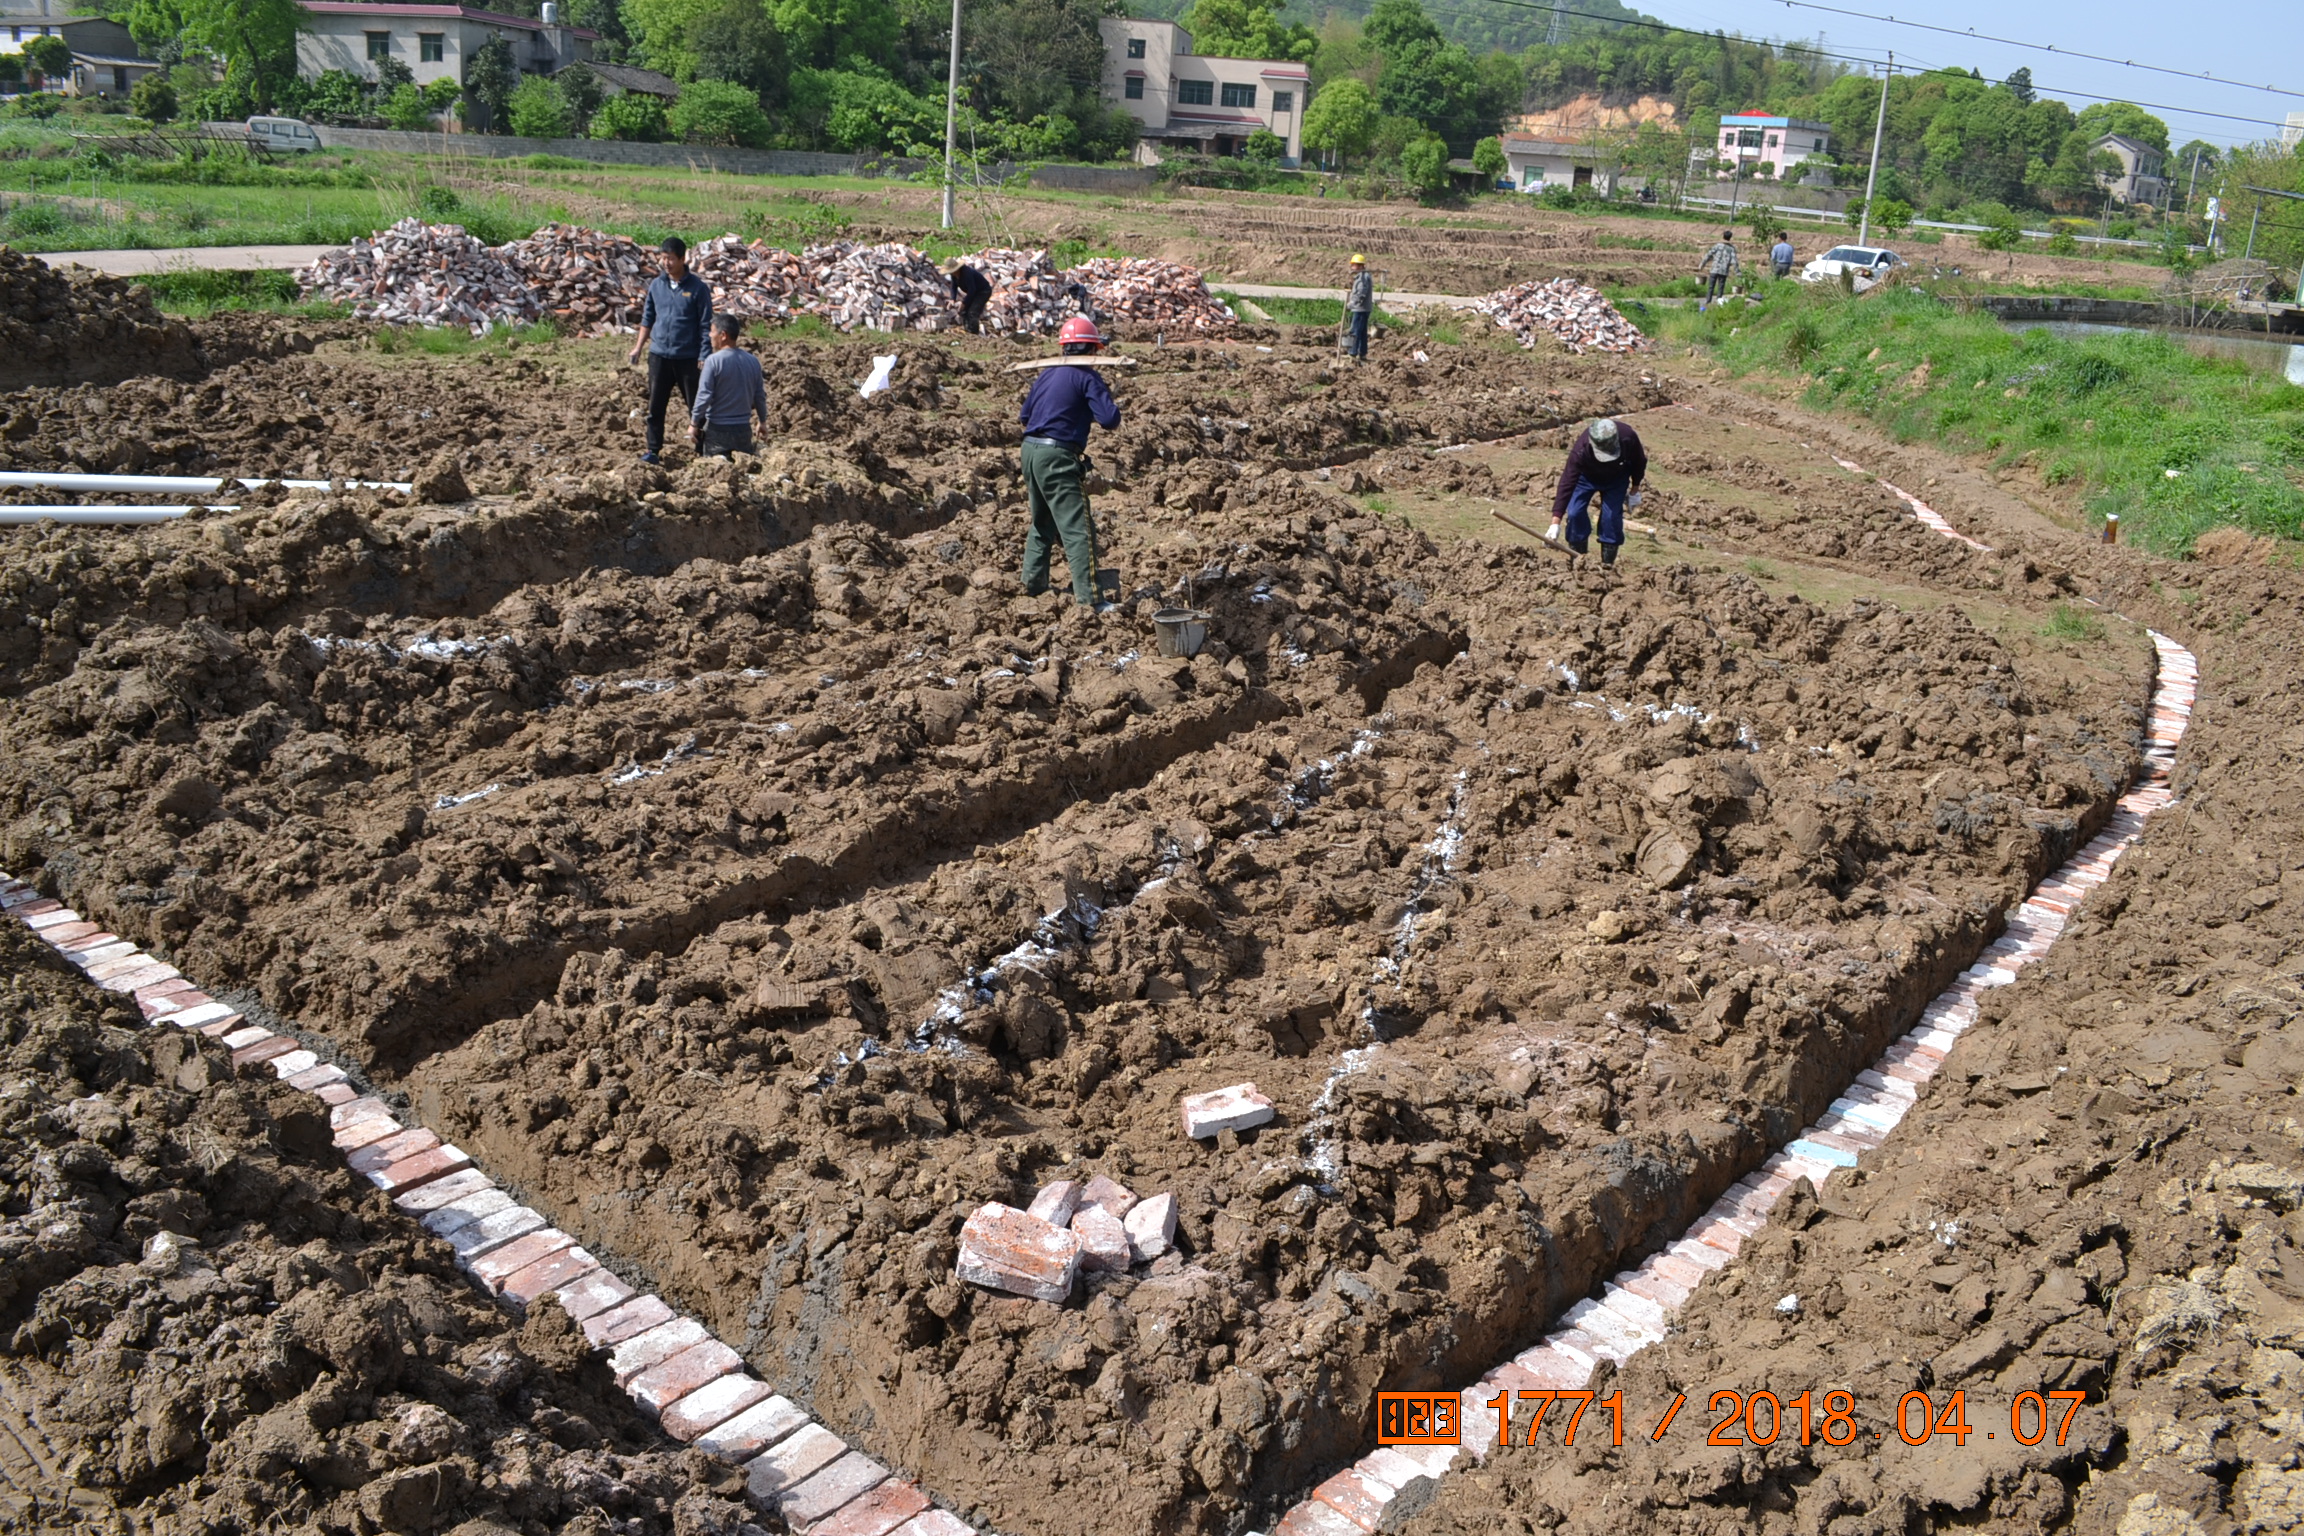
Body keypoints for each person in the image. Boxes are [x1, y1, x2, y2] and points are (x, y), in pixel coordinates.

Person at [1018, 316, 1121, 606]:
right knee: (1079, 528)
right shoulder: (1088, 377)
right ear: (1092, 350)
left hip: (1030, 451)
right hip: (1057, 456)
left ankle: (1033, 584)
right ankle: (1091, 601)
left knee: (1043, 522)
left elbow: (1025, 416)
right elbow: (1110, 419)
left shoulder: (1047, 374)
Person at [628, 236, 713, 465]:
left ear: (683, 259)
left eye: (671, 259)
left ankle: (703, 449)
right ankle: (653, 450)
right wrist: (638, 347)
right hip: (659, 356)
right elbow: (648, 318)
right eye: (663, 258)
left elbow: (706, 325)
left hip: (688, 358)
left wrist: (704, 354)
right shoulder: (657, 285)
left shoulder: (698, 289)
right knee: (656, 406)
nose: (666, 263)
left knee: (696, 406)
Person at [1545, 417, 1647, 571]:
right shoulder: (1581, 449)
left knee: (1611, 517)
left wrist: (1634, 490)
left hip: (1617, 478)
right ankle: (1579, 559)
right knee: (1574, 512)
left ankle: (1607, 565)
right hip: (1587, 478)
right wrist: (1555, 522)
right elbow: (1567, 482)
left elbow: (1639, 462)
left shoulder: (1628, 437)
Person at [690, 313, 768, 458]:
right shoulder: (752, 361)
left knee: (718, 472)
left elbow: (704, 395)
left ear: (723, 335)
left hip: (718, 430)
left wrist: (694, 423)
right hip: (743, 430)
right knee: (742, 471)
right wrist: (762, 421)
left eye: (712, 331)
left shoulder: (713, 361)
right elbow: (759, 395)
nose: (709, 335)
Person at [1697, 230, 1739, 310]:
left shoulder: (1717, 246)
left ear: (1723, 236)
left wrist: (1702, 264)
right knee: (1721, 287)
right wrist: (1737, 272)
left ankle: (1708, 302)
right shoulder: (1731, 249)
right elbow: (1734, 261)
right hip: (1723, 271)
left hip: (1714, 269)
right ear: (1730, 238)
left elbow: (1708, 254)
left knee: (1711, 287)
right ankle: (1718, 303)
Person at [1343, 253, 1373, 360]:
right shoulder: (1361, 276)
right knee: (1362, 331)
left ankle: (1353, 352)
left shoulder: (1363, 278)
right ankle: (1362, 353)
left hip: (1360, 309)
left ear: (1360, 266)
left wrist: (1351, 304)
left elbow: (1361, 293)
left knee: (1355, 331)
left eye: (1354, 265)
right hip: (1362, 308)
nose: (1352, 267)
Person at [950, 260, 992, 334]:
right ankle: (968, 330)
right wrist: (952, 299)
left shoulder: (967, 273)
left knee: (973, 312)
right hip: (974, 292)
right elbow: (954, 286)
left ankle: (974, 334)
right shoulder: (954, 275)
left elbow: (972, 290)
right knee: (964, 312)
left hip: (983, 292)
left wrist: (964, 303)